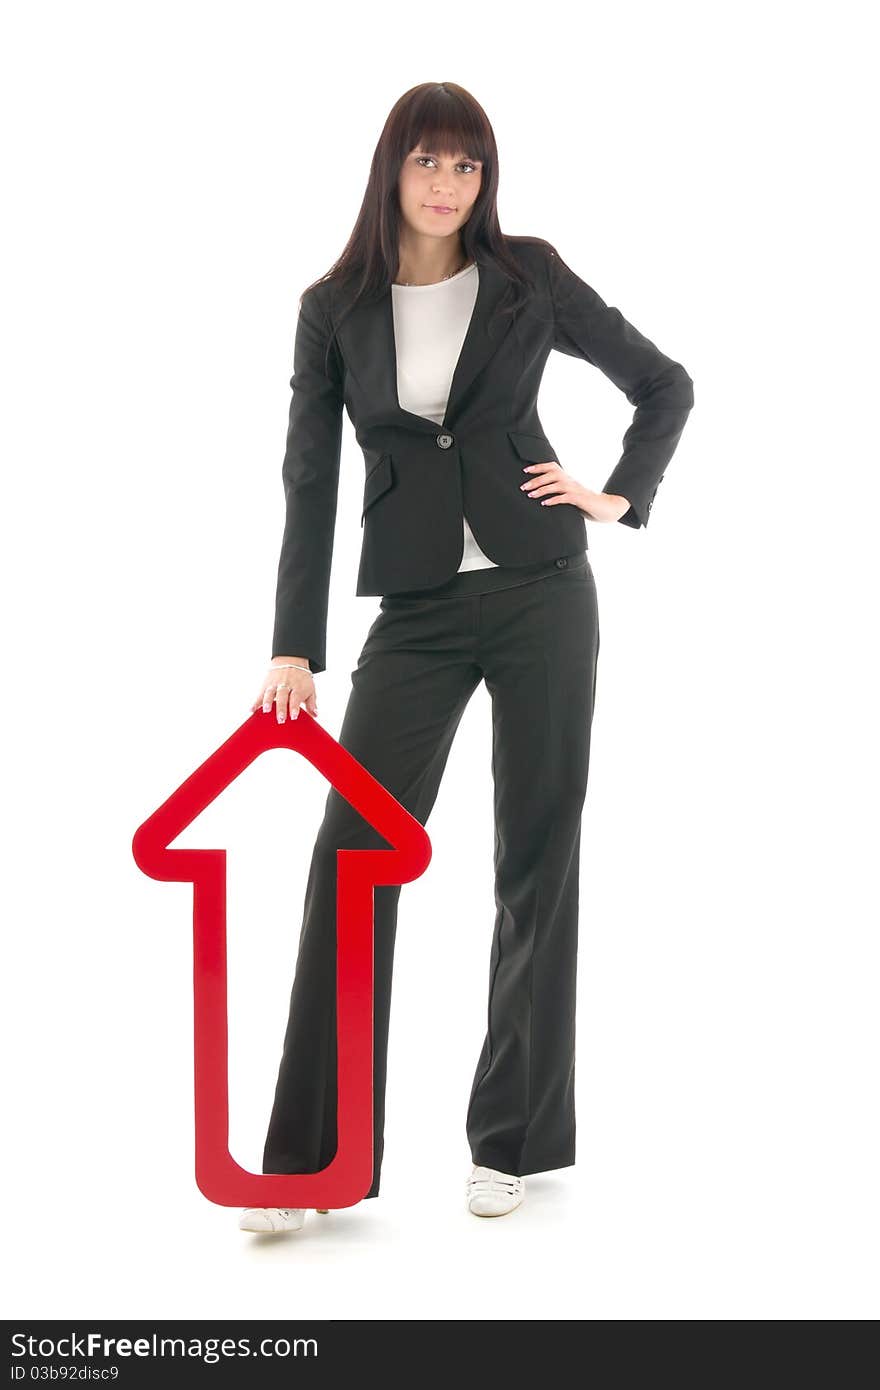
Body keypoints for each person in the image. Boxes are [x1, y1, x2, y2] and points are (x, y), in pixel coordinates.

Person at [239, 81, 694, 1234]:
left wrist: (615, 495)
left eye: (468, 167)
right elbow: (310, 478)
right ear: (390, 167)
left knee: (537, 852)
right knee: (353, 860)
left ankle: (514, 1143)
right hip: (419, 612)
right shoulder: (330, 305)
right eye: (428, 162)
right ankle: (312, 1160)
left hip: (546, 591)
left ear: (486, 181)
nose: (447, 185)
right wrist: (295, 644)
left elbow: (662, 382)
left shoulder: (529, 273)